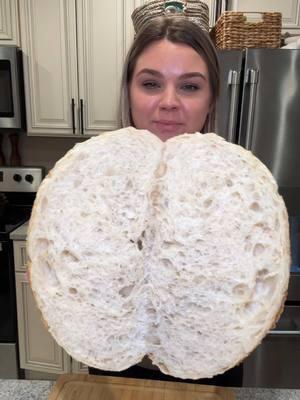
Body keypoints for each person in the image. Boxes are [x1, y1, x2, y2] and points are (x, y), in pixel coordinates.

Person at [89, 5, 243, 388]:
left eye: (190, 86)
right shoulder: (88, 186)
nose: (169, 102)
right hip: (115, 372)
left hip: (209, 369)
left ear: (210, 100)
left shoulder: (238, 193)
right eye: (151, 83)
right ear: (129, 91)